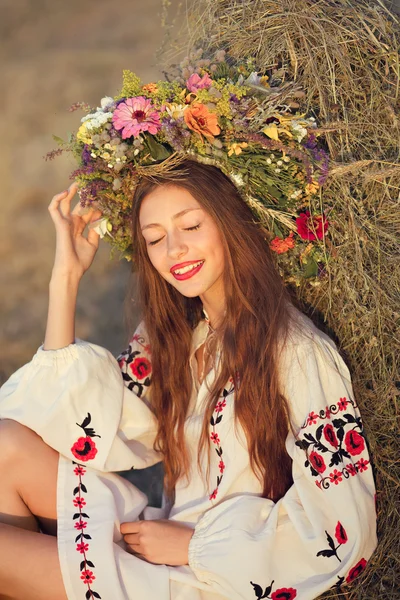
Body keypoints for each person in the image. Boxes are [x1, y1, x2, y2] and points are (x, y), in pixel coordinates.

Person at [0, 159, 377, 600]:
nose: (174, 250)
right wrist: (65, 279)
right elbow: (81, 423)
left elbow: (343, 527)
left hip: (218, 577)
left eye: (191, 226)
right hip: (161, 542)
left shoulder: (294, 351)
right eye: (156, 239)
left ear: (230, 222)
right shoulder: (180, 334)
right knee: (6, 445)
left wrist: (195, 546)